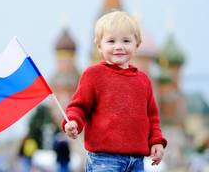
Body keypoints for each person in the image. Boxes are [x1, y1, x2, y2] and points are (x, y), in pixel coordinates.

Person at [61, 11, 167, 171]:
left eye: (126, 41)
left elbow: (152, 117)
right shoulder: (93, 75)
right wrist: (74, 122)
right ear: (99, 46)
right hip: (105, 158)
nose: (119, 46)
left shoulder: (144, 80)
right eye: (111, 41)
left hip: (137, 160)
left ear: (137, 45)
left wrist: (157, 141)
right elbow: (79, 106)